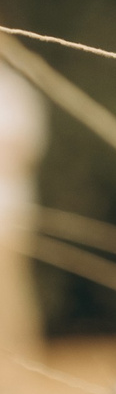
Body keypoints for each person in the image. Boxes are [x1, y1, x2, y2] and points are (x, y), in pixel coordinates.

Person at [0, 65, 42, 364]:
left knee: (10, 295)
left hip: (7, 213)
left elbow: (22, 151)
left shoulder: (13, 90)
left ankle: (20, 366)